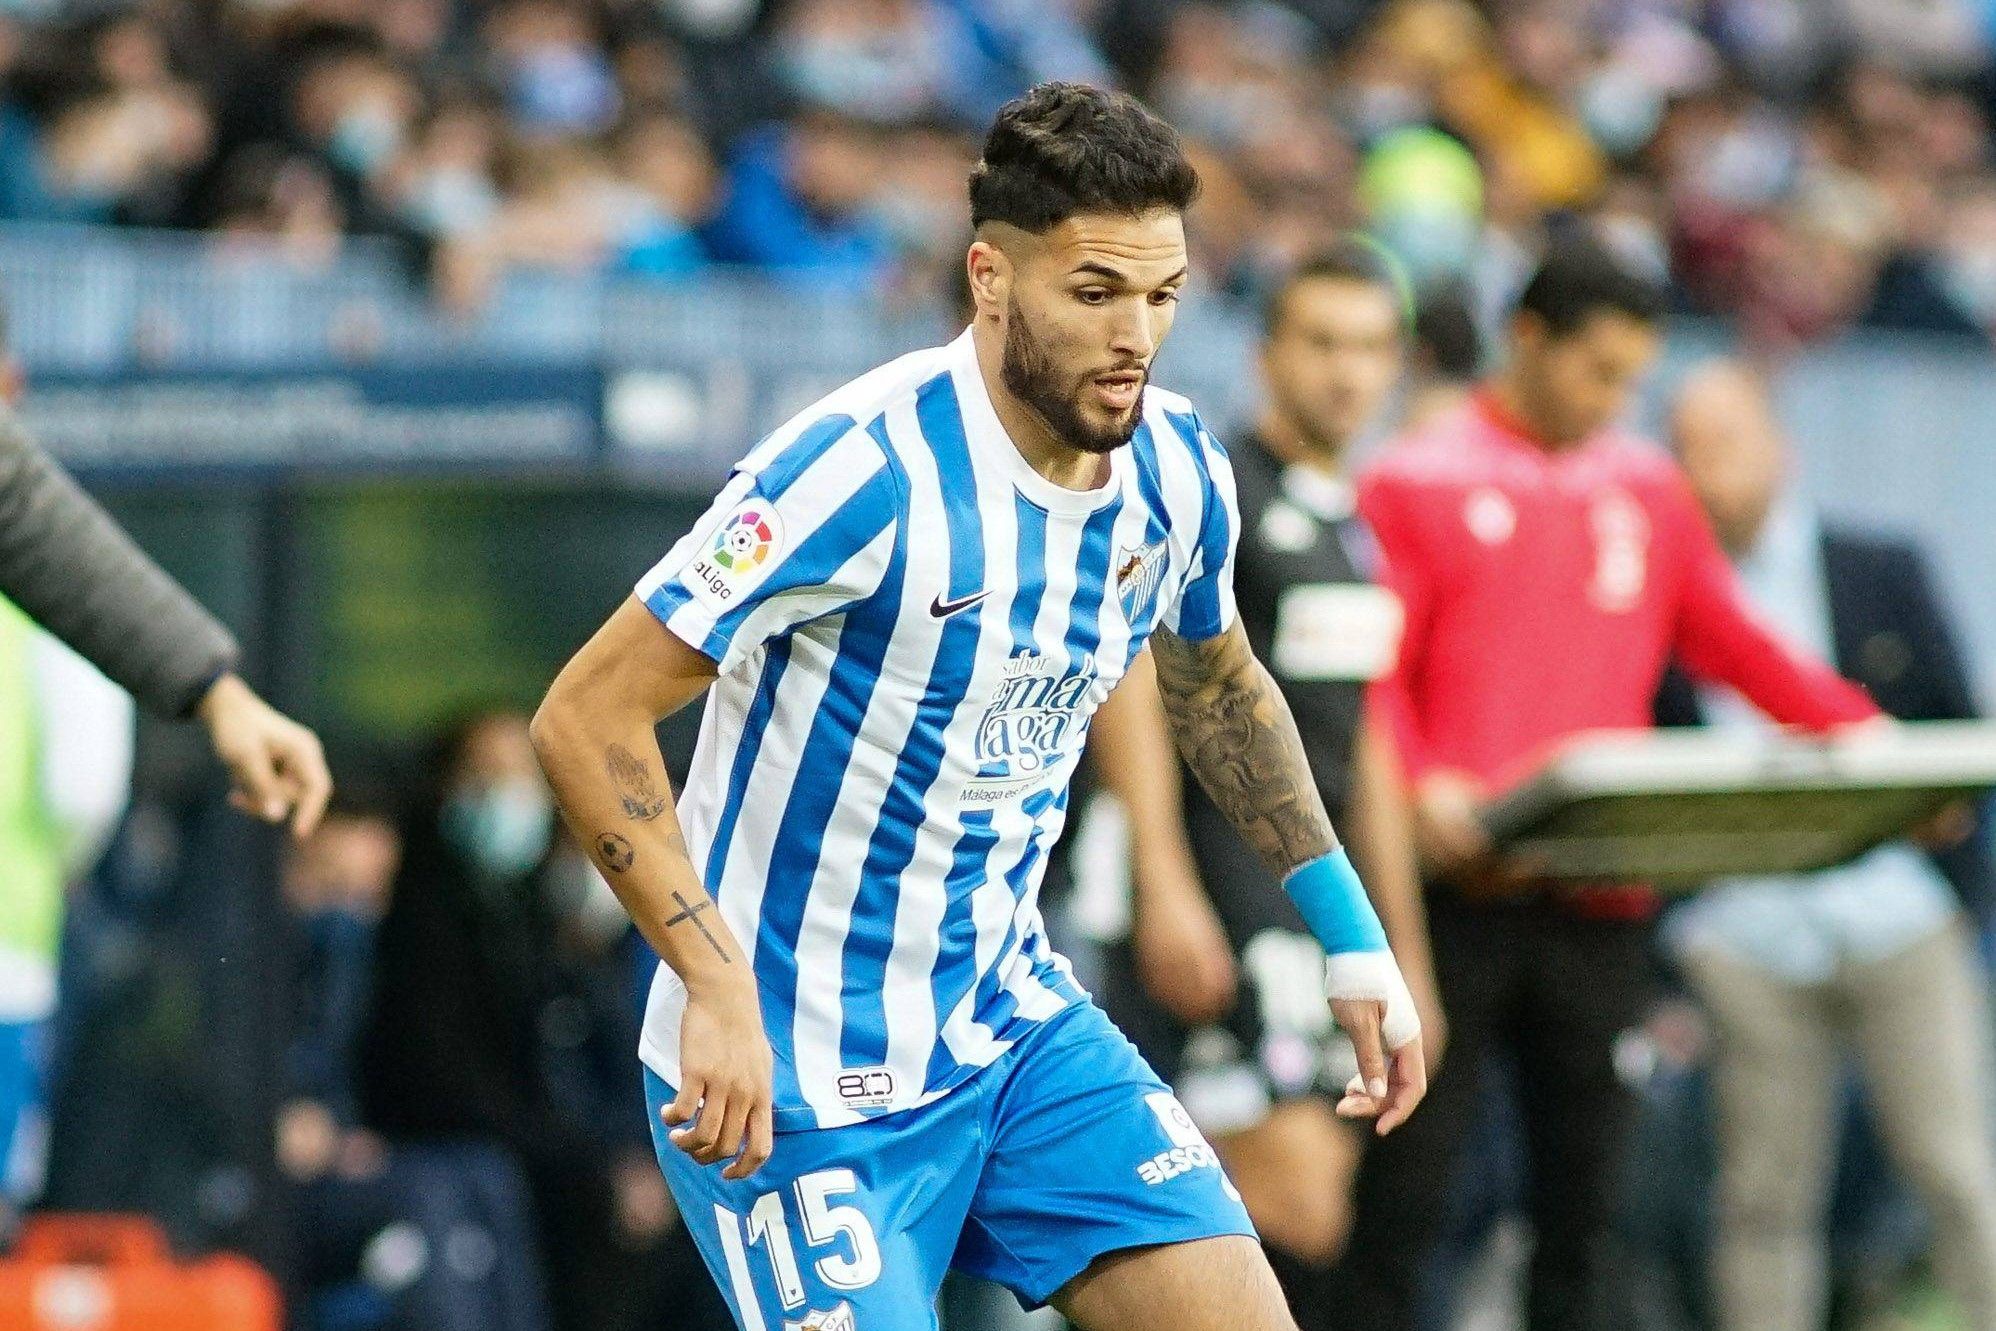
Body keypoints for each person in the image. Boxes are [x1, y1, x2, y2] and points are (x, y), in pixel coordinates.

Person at [530, 82, 1427, 1331]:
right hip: (785, 1074)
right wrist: (710, 983)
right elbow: (584, 716)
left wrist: (1351, 931)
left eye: (1163, 295)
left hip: (1009, 1028)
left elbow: (1218, 681)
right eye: (1095, 291)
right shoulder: (859, 470)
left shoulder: (1172, 466)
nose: (1136, 337)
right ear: (990, 276)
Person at [1329, 231, 1882, 1331]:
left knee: (1587, 1206)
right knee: (1410, 1194)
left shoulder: (1645, 486)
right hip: (1452, 901)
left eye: (1631, 377)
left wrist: (1864, 735)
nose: (1614, 399)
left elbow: (1732, 642)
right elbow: (1370, 675)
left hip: (1600, 899)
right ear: (1527, 337)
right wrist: (1427, 782)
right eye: (1597, 371)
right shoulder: (1414, 478)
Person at [1088, 241, 1439, 1330]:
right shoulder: (1214, 484)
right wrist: (1163, 874)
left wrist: (1398, 946)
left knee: (1310, 1211)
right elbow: (1144, 671)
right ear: (1269, 350)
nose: (1347, 372)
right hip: (1218, 887)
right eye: (1322, 342)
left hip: (1308, 912)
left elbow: (1362, 741)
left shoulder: (1354, 523)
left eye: (1372, 348)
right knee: (1276, 1201)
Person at [1659, 361, 1996, 1331]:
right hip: (1747, 930)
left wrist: (1958, 890)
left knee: (1954, 1167)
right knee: (1762, 1192)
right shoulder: (1666, 599)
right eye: (1684, 447)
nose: (1703, 468)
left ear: (1778, 445)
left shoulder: (1875, 567)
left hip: (1895, 911)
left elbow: (1950, 732)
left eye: (1722, 441)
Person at [357, 709, 702, 1331]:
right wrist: (591, 1163)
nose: (512, 799)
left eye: (524, 779)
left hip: (566, 1158)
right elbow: (444, 1076)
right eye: (489, 778)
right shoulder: (423, 917)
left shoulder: (533, 914)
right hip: (479, 1160)